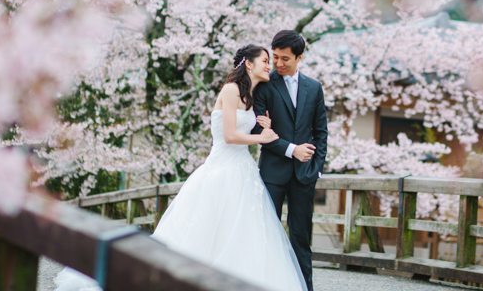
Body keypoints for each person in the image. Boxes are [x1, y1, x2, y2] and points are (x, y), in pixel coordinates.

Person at [54, 44, 307, 291]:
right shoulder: (230, 90)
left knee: (243, 232)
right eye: (265, 61)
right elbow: (229, 135)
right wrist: (261, 139)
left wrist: (264, 127)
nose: (269, 65)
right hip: (221, 170)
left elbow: (244, 129)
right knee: (202, 231)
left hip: (244, 171)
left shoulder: (250, 97)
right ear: (249, 64)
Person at [251, 31, 328, 291]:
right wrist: (291, 149)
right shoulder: (263, 84)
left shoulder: (314, 88)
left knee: (301, 238)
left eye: (285, 58)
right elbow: (256, 132)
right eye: (275, 57)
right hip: (272, 174)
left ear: (299, 57)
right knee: (267, 237)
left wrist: (316, 168)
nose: (278, 63)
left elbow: (321, 132)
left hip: (304, 176)